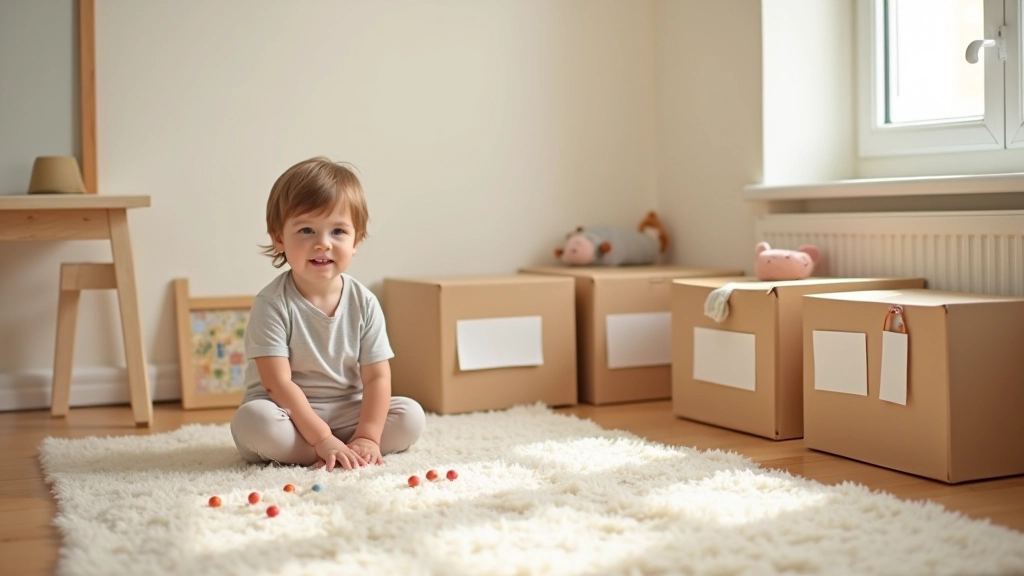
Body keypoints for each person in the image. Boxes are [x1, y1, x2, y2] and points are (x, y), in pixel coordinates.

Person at [230, 157, 425, 472]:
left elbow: (376, 377)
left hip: (347, 412)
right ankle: (328, 451)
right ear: (279, 238)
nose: (322, 244)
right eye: (307, 230)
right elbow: (277, 385)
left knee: (411, 416)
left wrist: (368, 436)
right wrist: (322, 437)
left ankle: (347, 450)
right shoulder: (272, 303)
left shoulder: (365, 302)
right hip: (287, 414)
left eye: (337, 231)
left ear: (356, 240)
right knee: (254, 422)